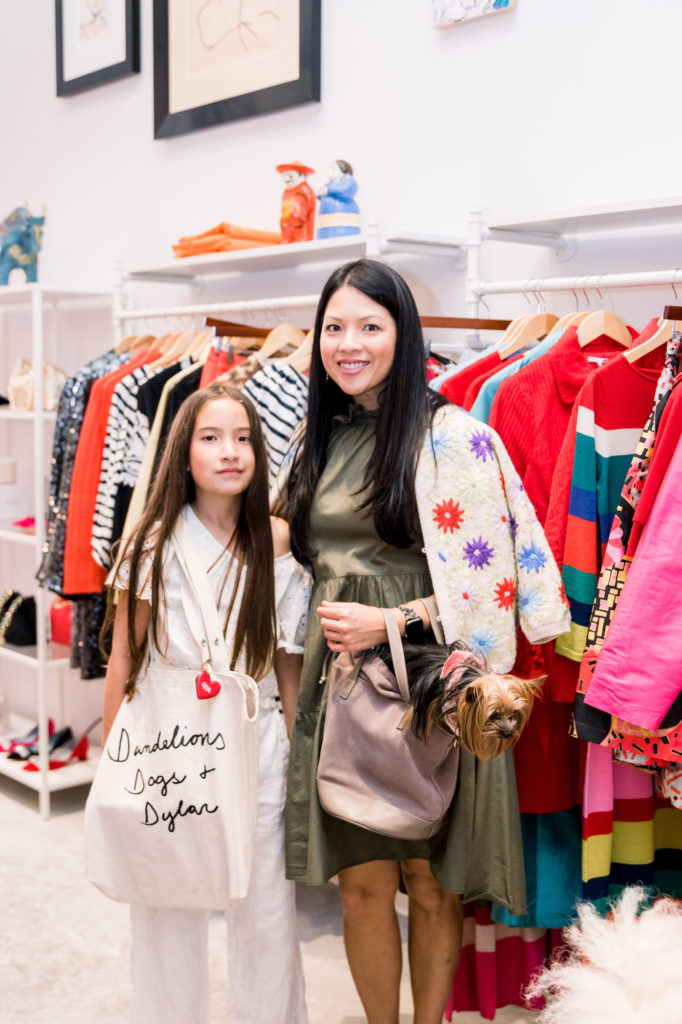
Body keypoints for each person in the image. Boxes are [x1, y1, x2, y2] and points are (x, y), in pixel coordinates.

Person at [283, 258, 570, 1024]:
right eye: (334, 327)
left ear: (403, 334)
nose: (349, 344)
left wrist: (391, 622)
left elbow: (489, 589)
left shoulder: (452, 439)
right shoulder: (315, 436)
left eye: (369, 326)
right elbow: (287, 548)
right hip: (338, 678)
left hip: (430, 680)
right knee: (361, 884)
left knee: (431, 881)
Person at [102, 382, 309, 1024]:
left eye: (243, 438)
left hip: (257, 738)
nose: (230, 452)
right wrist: (115, 764)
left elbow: (288, 659)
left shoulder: (276, 539)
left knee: (267, 905)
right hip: (170, 743)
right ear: (183, 453)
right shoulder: (152, 542)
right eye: (211, 438)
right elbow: (124, 657)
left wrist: (298, 754)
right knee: (169, 900)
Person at [316, 160, 362, 239]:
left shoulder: (349, 181)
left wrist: (328, 190)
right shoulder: (328, 184)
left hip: (343, 225)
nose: (329, 172)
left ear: (343, 170)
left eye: (333, 169)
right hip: (325, 227)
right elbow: (318, 194)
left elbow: (344, 190)